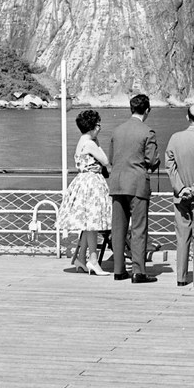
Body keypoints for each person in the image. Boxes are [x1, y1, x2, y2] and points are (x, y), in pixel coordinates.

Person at [107, 93, 160, 284]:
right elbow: (152, 160)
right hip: (137, 184)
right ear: (147, 110)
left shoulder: (117, 131)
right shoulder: (148, 132)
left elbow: (111, 158)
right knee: (139, 228)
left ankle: (119, 270)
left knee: (118, 228)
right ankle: (138, 271)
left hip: (117, 183)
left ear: (131, 109)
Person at [57, 109, 113, 276]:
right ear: (92, 126)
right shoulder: (90, 143)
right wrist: (98, 142)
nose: (100, 128)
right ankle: (93, 261)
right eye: (98, 125)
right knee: (93, 224)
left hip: (82, 182)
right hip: (92, 183)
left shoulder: (82, 141)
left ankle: (81, 258)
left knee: (88, 224)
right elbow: (105, 160)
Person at [164, 103, 194, 287]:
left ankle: (181, 277)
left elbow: (169, 165)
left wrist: (180, 188)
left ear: (187, 117)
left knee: (182, 237)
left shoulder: (175, 138)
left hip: (180, 196)